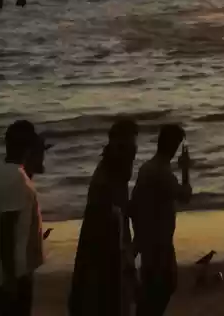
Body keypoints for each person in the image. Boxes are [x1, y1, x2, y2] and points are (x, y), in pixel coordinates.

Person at [68, 119, 139, 316]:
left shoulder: (114, 174)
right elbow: (112, 234)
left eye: (134, 150)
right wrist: (130, 270)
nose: (132, 155)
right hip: (104, 270)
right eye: (127, 149)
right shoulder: (107, 182)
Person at [0, 120, 48, 316]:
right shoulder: (17, 178)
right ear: (28, 148)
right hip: (10, 274)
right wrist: (10, 280)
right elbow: (7, 229)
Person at [130, 125, 193, 316]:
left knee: (153, 289)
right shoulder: (163, 174)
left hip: (148, 240)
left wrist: (138, 237)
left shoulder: (146, 169)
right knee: (163, 287)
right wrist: (185, 169)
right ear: (175, 146)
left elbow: (134, 205)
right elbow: (185, 196)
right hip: (160, 242)